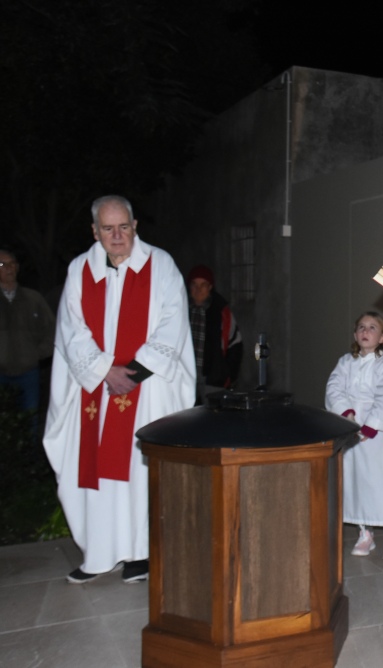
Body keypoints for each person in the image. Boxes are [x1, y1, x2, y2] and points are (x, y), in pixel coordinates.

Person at [43, 195, 195, 584]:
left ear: (135, 226)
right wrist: (104, 370)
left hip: (146, 389)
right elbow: (71, 330)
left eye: (123, 227)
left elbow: (172, 321)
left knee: (138, 469)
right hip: (95, 390)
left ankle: (141, 554)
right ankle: (99, 553)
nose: (117, 236)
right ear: (94, 231)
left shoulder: (160, 265)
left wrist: (135, 371)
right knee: (93, 469)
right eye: (107, 229)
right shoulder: (80, 270)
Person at [325, 311, 383, 560]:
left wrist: (371, 425)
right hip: (350, 427)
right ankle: (365, 532)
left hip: (378, 435)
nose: (366, 331)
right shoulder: (346, 362)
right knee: (355, 481)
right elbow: (334, 387)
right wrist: (347, 414)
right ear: (355, 334)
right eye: (361, 327)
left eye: (372, 327)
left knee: (381, 483)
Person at [0, 249, 55, 412]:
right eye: (3, 264)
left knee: (30, 418)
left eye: (12, 264)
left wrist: (37, 354)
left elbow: (52, 329)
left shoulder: (33, 298)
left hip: (28, 372)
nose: (9, 268)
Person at [187, 265, 243, 403]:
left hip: (212, 381)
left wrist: (227, 375)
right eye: (194, 285)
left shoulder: (221, 312)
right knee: (185, 420)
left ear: (210, 287)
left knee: (211, 421)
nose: (198, 290)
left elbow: (235, 345)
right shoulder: (180, 310)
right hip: (185, 378)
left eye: (203, 285)